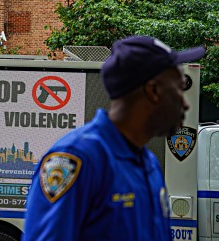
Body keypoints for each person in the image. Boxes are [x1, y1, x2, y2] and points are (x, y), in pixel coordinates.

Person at [22, 36, 205, 241]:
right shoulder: (78, 159)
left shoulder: (148, 162)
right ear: (153, 91)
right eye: (179, 90)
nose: (185, 104)